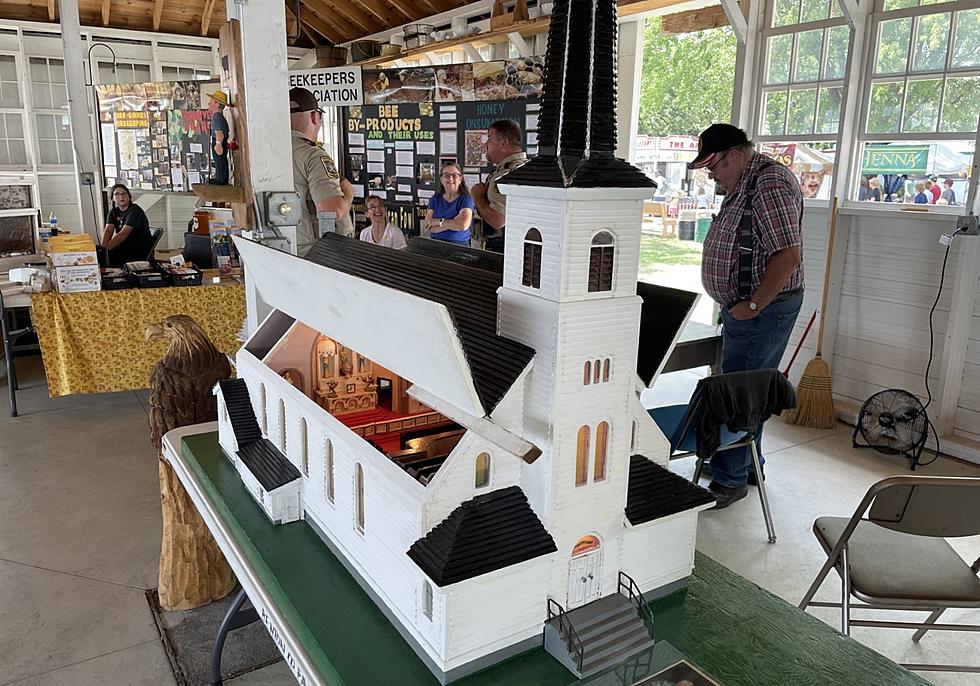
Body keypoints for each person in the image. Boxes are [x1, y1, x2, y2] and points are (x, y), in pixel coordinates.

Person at [690, 124, 804, 509]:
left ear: (736, 155)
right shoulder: (745, 182)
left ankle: (731, 477)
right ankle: (747, 463)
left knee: (740, 393)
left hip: (761, 310)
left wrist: (753, 304)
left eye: (714, 166)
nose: (712, 175)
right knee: (747, 386)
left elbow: (787, 256)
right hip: (746, 308)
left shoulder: (769, 184)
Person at [289, 87, 354, 255]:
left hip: (278, 251)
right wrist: (347, 197)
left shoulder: (269, 152)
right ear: (314, 117)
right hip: (313, 255)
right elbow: (331, 212)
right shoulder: (312, 155)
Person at [471, 120, 527, 253]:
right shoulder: (518, 167)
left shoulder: (510, 172)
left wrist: (478, 196)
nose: (486, 144)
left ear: (503, 143)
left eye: (489, 138)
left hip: (504, 250)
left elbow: (498, 219)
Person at [102, 183, 152, 267]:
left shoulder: (135, 211)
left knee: (109, 257)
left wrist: (106, 250)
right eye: (117, 194)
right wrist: (102, 249)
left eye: (124, 193)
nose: (121, 196)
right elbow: (108, 230)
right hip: (124, 246)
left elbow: (123, 234)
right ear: (113, 199)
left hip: (137, 249)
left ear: (129, 197)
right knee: (104, 257)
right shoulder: (113, 212)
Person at [423, 162, 474, 246]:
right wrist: (454, 221)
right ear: (441, 179)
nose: (450, 179)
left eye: (454, 175)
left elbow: (463, 225)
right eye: (446, 175)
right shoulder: (435, 199)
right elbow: (428, 226)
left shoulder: (466, 199)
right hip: (435, 243)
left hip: (459, 245)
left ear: (460, 179)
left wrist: (439, 222)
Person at [208, 90, 231, 185]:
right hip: (220, 142)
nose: (209, 103)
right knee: (219, 161)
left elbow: (219, 134)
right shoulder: (218, 117)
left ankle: (221, 180)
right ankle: (220, 178)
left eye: (211, 101)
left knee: (220, 161)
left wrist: (218, 144)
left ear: (217, 104)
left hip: (218, 142)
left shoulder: (217, 117)